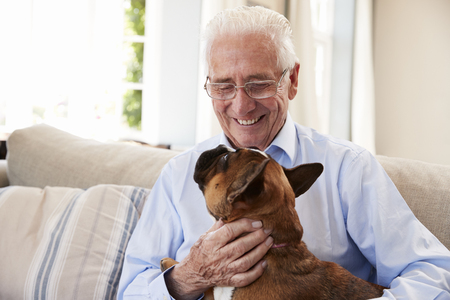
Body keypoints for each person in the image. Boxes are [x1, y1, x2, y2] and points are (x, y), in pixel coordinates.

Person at [118, 6, 450, 300]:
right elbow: (131, 289)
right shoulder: (179, 173)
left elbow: (433, 272)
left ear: (291, 80)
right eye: (223, 86)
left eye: (258, 84)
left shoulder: (347, 168)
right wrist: (187, 278)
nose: (241, 104)